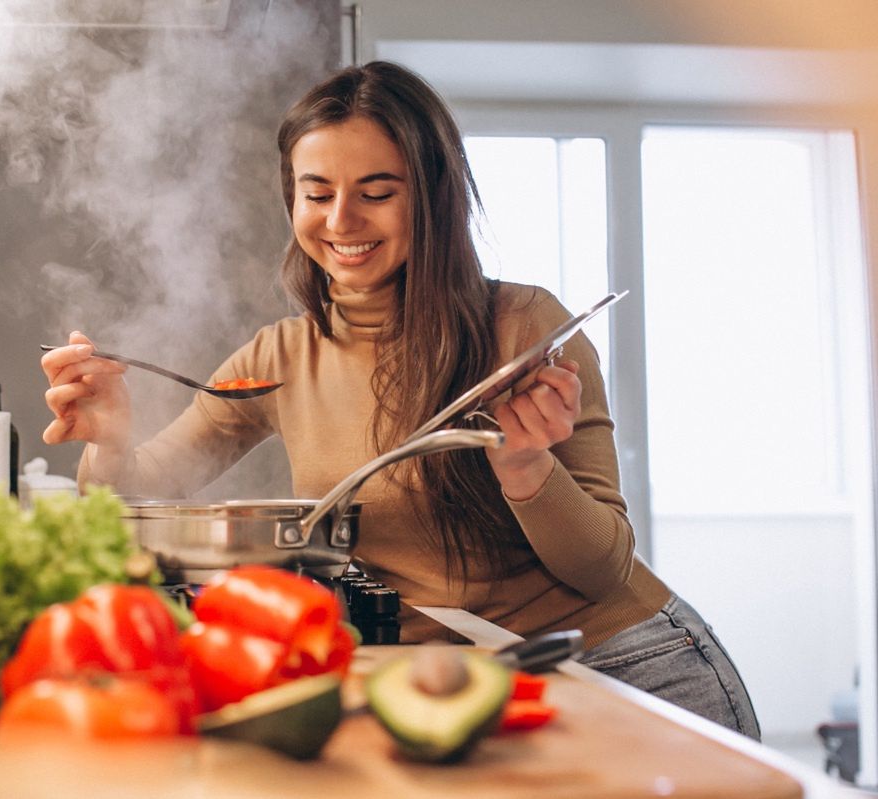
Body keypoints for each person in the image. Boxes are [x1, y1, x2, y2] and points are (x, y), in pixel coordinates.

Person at [40, 60, 760, 739]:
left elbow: (603, 570)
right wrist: (110, 440)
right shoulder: (278, 357)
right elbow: (137, 495)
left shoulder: (524, 327)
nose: (342, 220)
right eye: (317, 193)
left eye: (377, 192)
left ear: (433, 196)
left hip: (625, 667)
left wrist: (527, 469)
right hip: (460, 680)